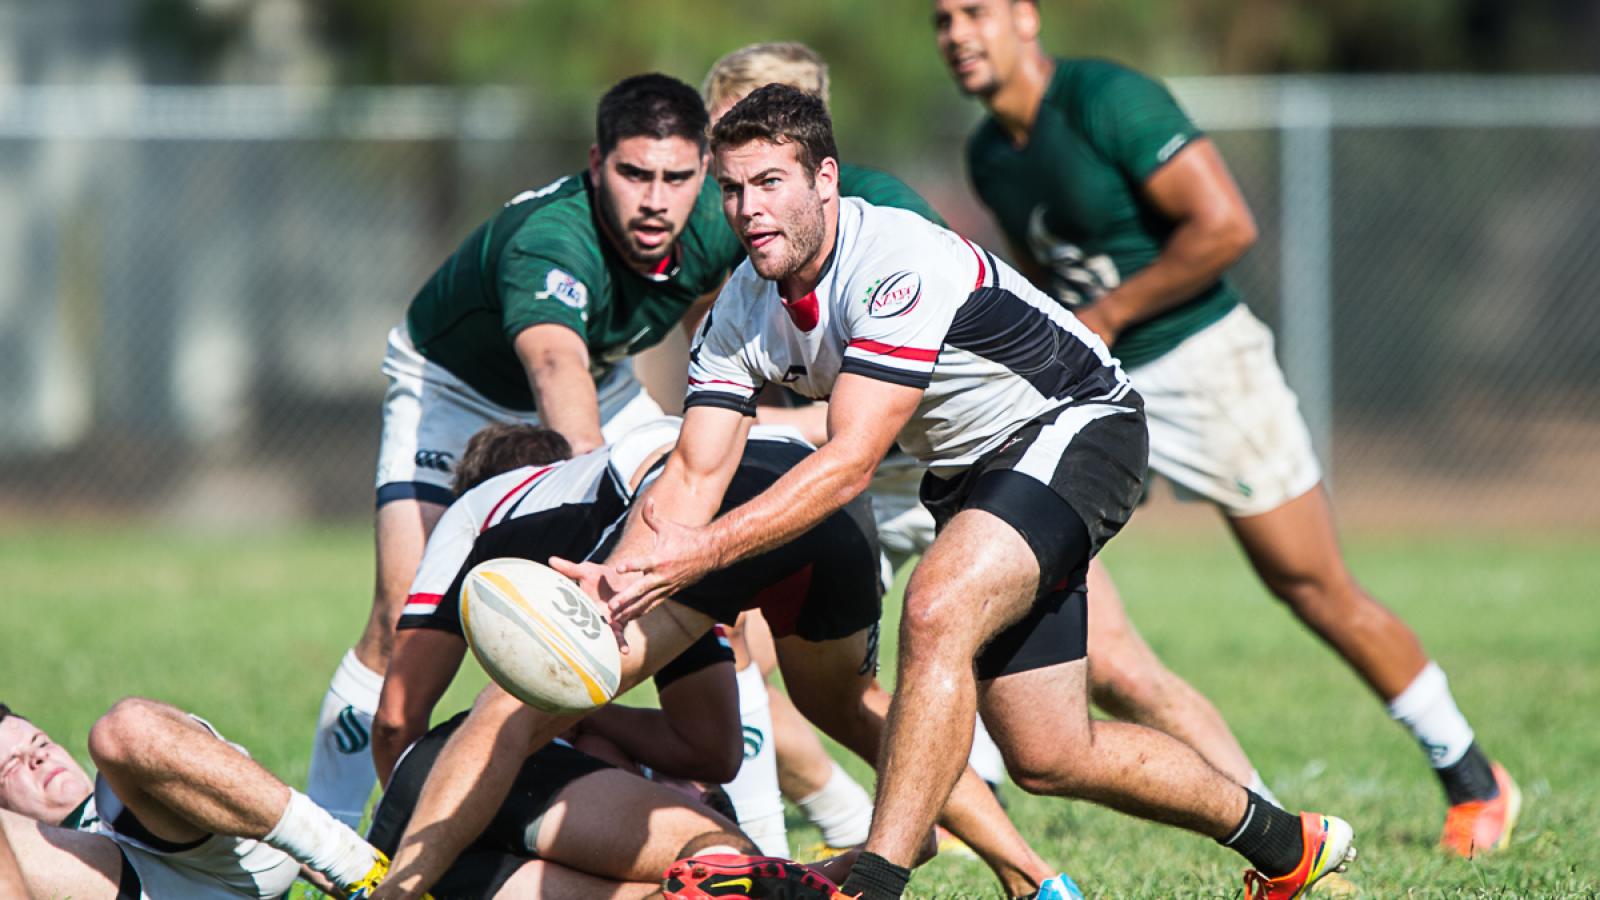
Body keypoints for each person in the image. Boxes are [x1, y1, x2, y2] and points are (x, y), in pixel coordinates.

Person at [574, 84, 1356, 900]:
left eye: (770, 182)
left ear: (825, 179)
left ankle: (872, 884)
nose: (749, 208)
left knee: (935, 606)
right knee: (1050, 754)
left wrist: (701, 552)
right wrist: (616, 583)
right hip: (972, 477)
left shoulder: (894, 262)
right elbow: (694, 473)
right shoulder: (739, 308)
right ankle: (1286, 843)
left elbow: (850, 462)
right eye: (733, 189)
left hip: (1077, 423)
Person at [934, 0, 1518, 858]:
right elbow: (1041, 281)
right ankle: (988, 785)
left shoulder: (1107, 100)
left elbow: (1225, 225)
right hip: (1093, 389)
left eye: (975, 11)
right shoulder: (989, 153)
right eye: (942, 19)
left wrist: (1109, 313)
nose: (957, 33)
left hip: (1202, 366)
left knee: (1311, 584)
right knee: (1020, 565)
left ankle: (1472, 775)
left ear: (1026, 17)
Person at [705, 39, 1278, 810]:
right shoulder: (728, 228)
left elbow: (870, 413)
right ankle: (837, 826)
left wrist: (727, 505)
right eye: (721, 141)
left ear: (812, 139)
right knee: (761, 647)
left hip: (986, 451)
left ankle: (1266, 810)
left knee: (1104, 663)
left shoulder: (884, 221)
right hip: (923, 470)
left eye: (759, 144)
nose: (740, 185)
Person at [365, 414, 1073, 900]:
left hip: (702, 504)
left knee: (503, 716)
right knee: (853, 704)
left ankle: (398, 893)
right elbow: (711, 745)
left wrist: (409, 835)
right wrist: (594, 721)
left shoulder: (479, 510)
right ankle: (1033, 877)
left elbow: (397, 719)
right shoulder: (652, 583)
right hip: (818, 497)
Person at [308, 72, 747, 828]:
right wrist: (590, 502)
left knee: (710, 576)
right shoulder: (551, 239)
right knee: (400, 614)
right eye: (635, 173)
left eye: (676, 177)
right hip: (459, 392)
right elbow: (553, 365)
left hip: (605, 380)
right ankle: (334, 830)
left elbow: (707, 316)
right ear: (596, 163)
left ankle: (755, 826)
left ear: (703, 171)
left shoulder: (716, 218)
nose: (656, 199)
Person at [0, 700, 413, 899]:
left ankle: (367, 871)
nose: (37, 758)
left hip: (210, 850)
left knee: (122, 729)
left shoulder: (119, 789)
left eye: (40, 742)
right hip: (114, 878)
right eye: (11, 765)